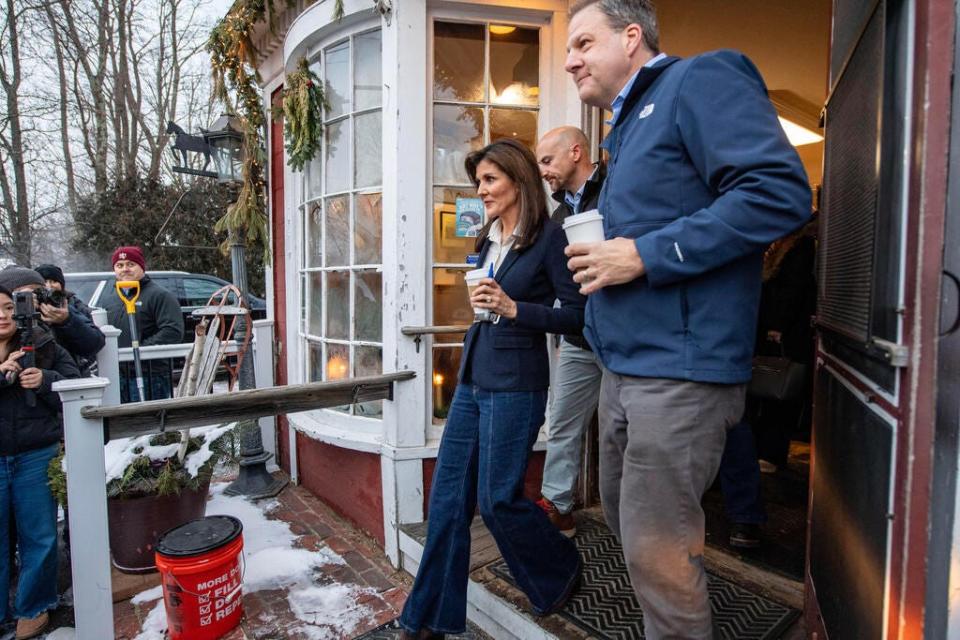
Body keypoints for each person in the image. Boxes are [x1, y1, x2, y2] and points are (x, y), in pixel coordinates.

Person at [563, 1, 812, 637]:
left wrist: (642, 254)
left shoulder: (699, 80)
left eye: (584, 43)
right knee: (633, 530)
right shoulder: (622, 130)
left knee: (659, 556)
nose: (570, 61)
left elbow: (778, 193)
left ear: (632, 36)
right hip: (623, 368)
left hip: (679, 375)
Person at [399, 139, 585, 639]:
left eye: (488, 180)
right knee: (447, 498)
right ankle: (427, 619)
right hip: (474, 378)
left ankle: (559, 567)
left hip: (518, 385)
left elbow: (578, 317)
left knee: (498, 499)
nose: (480, 190)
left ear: (517, 179)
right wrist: (488, 306)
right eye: (478, 181)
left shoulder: (552, 237)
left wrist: (514, 309)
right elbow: (490, 302)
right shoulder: (485, 237)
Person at [533, 126, 606, 536]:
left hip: (624, 337)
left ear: (575, 152)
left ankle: (631, 519)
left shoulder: (617, 191)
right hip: (579, 338)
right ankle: (557, 505)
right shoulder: (559, 217)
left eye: (547, 160)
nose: (543, 171)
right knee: (561, 421)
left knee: (627, 430)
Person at [0, 285, 80, 639]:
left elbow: (78, 383)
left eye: (7, 308)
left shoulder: (42, 344)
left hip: (34, 452)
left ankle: (33, 608)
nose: (3, 315)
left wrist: (46, 381)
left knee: (40, 535)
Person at [100, 246, 183, 402]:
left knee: (149, 423)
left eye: (130, 264)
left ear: (141, 266)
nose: (125, 269)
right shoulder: (110, 299)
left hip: (150, 375)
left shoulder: (159, 295)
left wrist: (140, 349)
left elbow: (172, 332)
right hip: (118, 375)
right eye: (120, 265)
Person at [0, 266, 104, 376]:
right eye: (27, 295)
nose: (35, 297)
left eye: (39, 291)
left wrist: (66, 321)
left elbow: (94, 344)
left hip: (62, 383)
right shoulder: (7, 323)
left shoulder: (58, 309)